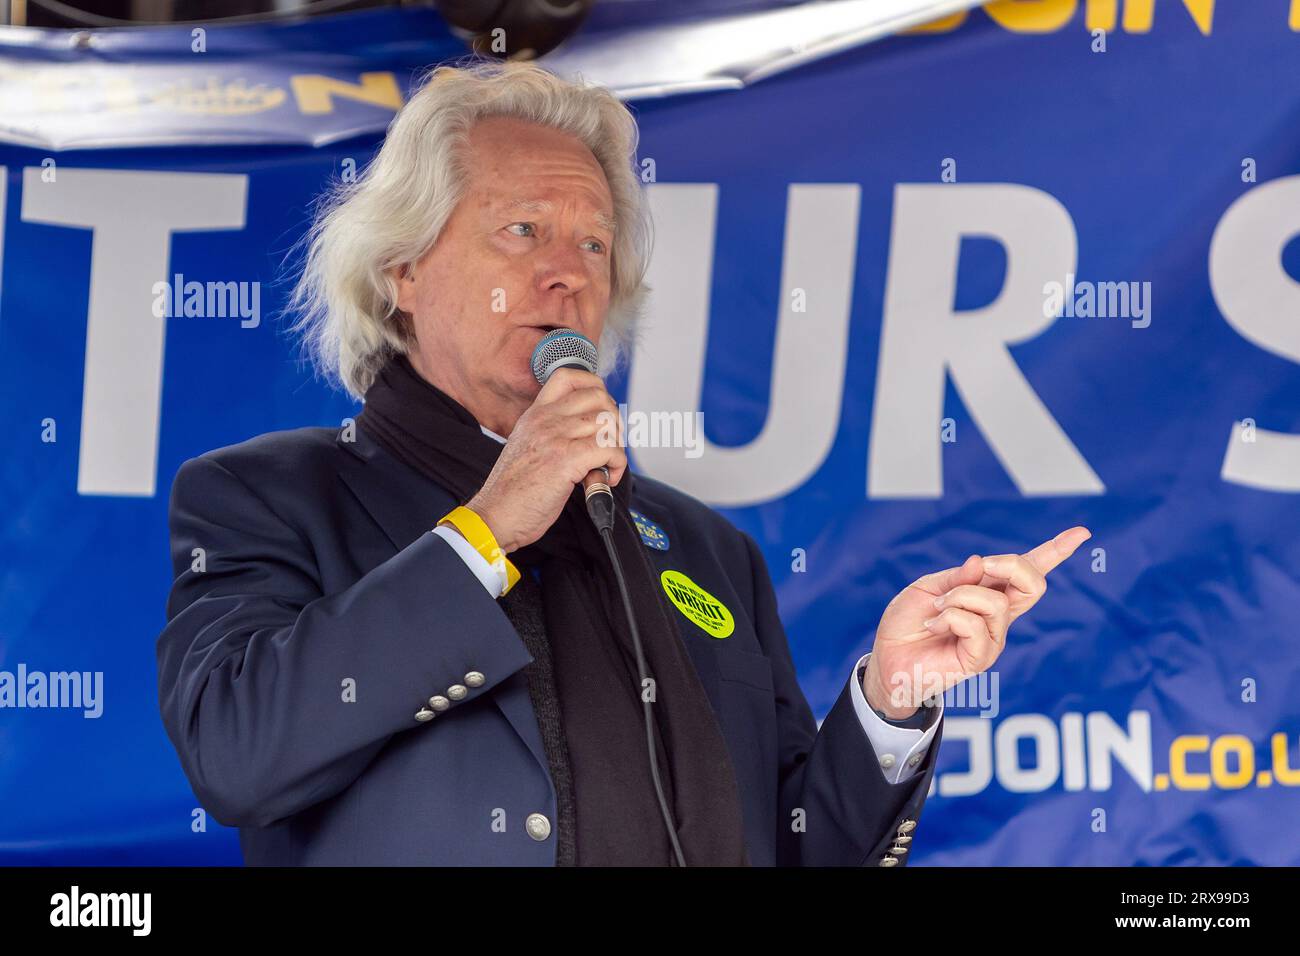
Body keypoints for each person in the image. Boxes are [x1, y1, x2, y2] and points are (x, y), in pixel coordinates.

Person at [156, 59, 1090, 866]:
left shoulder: (707, 548)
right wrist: (486, 530)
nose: (569, 271)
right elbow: (238, 751)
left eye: (594, 242)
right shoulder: (269, 494)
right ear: (403, 268)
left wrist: (891, 698)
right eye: (523, 230)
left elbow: (800, 846)